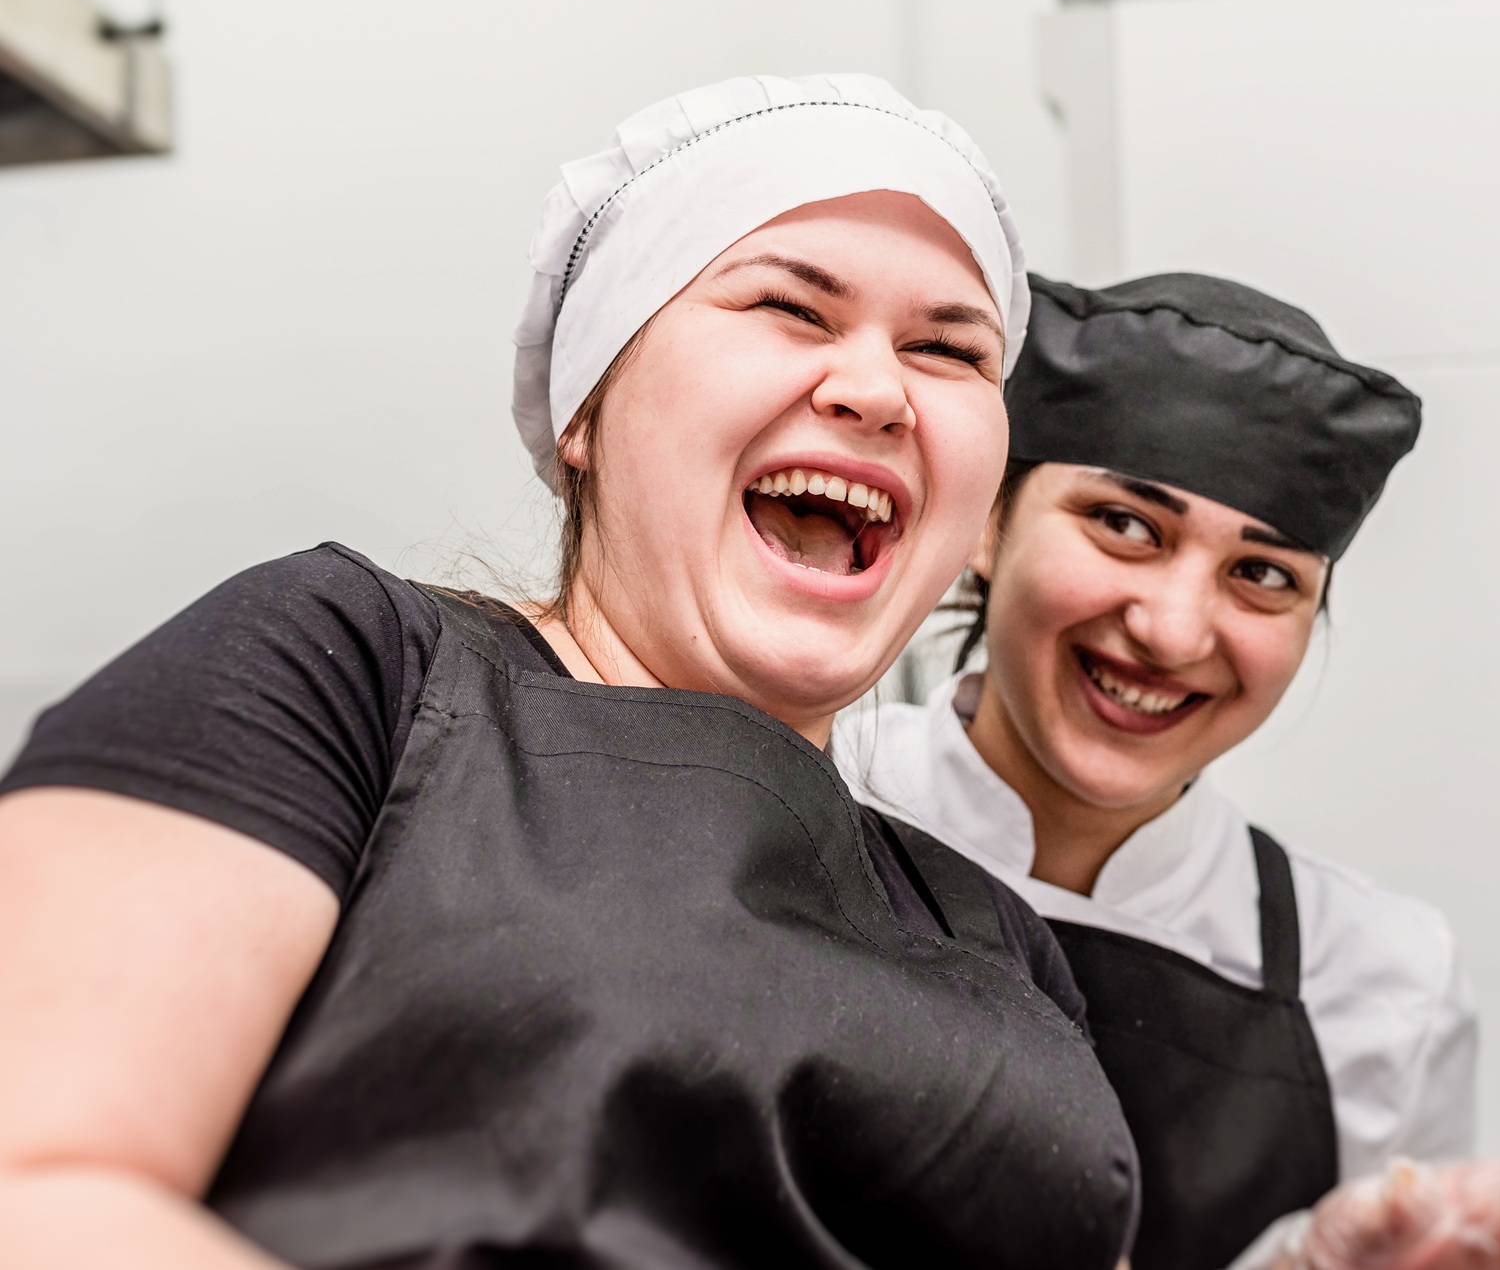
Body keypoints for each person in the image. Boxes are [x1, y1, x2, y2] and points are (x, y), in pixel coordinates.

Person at [0, 75, 1139, 1270]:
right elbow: (44, 1183)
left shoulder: (996, 942)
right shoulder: (347, 668)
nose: (875, 387)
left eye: (947, 348)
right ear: (587, 407)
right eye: (792, 308)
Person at [837, 272, 1500, 1270]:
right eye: (1124, 523)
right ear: (987, 524)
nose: (1170, 630)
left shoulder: (1382, 981)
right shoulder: (790, 815)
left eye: (1262, 574)